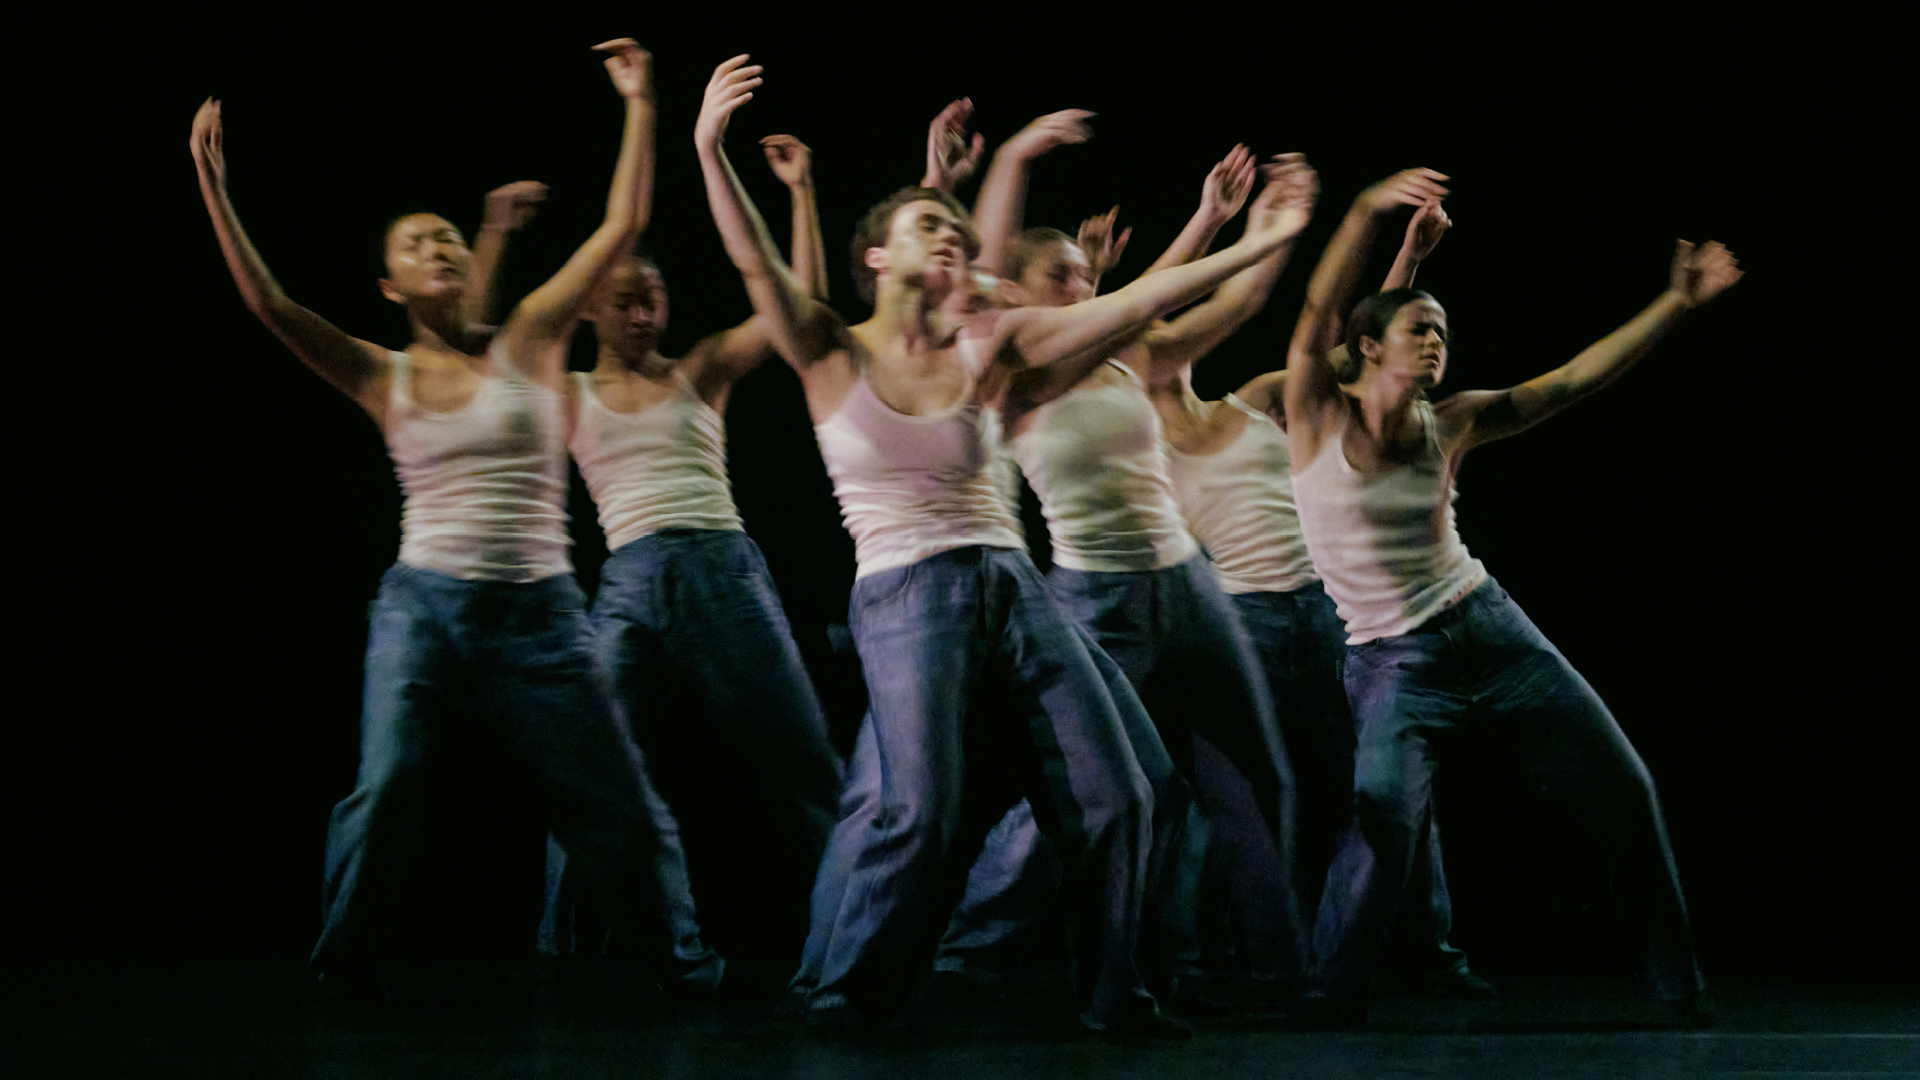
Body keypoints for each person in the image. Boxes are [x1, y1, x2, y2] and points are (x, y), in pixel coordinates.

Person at [694, 55, 1309, 1035]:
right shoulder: (830, 346)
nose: (948, 232)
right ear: (879, 259)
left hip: (1014, 584)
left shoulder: (997, 345)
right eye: (927, 225)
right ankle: (846, 994)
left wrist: (1255, 242)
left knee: (1129, 789)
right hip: (906, 593)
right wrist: (706, 146)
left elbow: (1138, 304)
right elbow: (753, 264)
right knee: (920, 810)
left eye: (953, 224)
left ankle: (1117, 995)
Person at [189, 40, 722, 997]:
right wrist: (213, 186)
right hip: (425, 604)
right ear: (390, 287)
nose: (438, 249)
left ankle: (677, 963)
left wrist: (641, 103)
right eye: (415, 244)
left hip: (541, 612)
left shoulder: (529, 337)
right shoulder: (378, 370)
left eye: (447, 237)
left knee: (617, 804)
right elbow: (271, 306)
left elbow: (622, 221)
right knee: (388, 787)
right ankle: (342, 967)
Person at [1284, 168, 1741, 1024]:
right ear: (1373, 348)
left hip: (1489, 630)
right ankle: (1327, 992)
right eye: (1420, 328)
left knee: (1624, 787)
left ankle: (1678, 983)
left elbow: (1568, 382)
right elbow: (1321, 318)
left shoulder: (1451, 421)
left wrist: (1673, 303)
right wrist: (1366, 213)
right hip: (1393, 663)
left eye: (1444, 333)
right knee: (1381, 819)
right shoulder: (1318, 417)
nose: (1436, 342)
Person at [933, 132, 1319, 1009]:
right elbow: (1129, 299)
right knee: (1080, 787)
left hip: (1188, 584)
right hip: (1095, 597)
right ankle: (973, 945)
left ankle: (1280, 969)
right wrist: (1212, 224)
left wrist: (1266, 223)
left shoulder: (1130, 357)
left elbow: (1217, 299)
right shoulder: (1013, 375)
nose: (1082, 285)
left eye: (1084, 272)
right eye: (1061, 276)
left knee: (1263, 772)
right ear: (1015, 293)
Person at [1152, 199, 1491, 998]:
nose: (1169, 358)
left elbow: (1365, 355)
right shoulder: (1144, 449)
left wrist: (1408, 258)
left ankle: (1424, 952)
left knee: (1388, 784)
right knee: (1238, 802)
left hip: (1334, 613)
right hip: (1246, 623)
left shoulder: (1262, 398)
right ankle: (1210, 961)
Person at [535, 131, 842, 980]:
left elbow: (796, 307)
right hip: (631, 575)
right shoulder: (568, 394)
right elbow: (496, 356)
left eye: (655, 298)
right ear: (592, 310)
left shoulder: (700, 370)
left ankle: (854, 932)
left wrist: (802, 195)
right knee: (594, 760)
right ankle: (574, 946)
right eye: (626, 300)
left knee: (798, 753)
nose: (644, 313)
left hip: (721, 564)